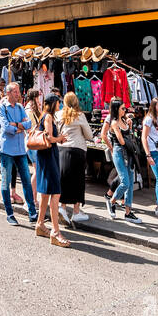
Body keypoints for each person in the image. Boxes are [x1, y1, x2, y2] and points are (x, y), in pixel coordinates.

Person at [0, 82, 38, 225]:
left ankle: (32, 213)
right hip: (7, 150)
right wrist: (19, 125)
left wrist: (17, 125)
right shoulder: (2, 108)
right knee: (6, 182)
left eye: (18, 91)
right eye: (15, 92)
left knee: (26, 180)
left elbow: (28, 124)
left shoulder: (20, 107)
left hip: (20, 150)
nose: (18, 94)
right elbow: (6, 127)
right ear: (8, 93)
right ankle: (9, 214)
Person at [31, 93, 70, 247]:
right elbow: (49, 138)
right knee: (55, 192)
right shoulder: (47, 117)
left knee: (46, 193)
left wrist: (58, 138)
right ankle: (55, 232)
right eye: (58, 102)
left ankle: (40, 224)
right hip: (48, 157)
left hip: (47, 156)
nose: (59, 105)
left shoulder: (45, 116)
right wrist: (60, 138)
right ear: (53, 103)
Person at [101, 98, 141, 223]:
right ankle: (112, 201)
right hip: (119, 152)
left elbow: (128, 136)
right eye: (123, 108)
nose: (125, 110)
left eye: (125, 108)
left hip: (128, 153)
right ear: (116, 109)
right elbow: (122, 141)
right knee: (124, 182)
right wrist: (112, 147)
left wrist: (129, 126)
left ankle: (128, 212)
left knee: (130, 185)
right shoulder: (114, 123)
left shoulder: (124, 120)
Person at [56, 92, 94, 225]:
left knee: (64, 179)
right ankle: (76, 212)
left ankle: (62, 207)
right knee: (78, 181)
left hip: (61, 149)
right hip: (77, 150)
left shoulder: (58, 115)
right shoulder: (80, 115)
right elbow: (89, 135)